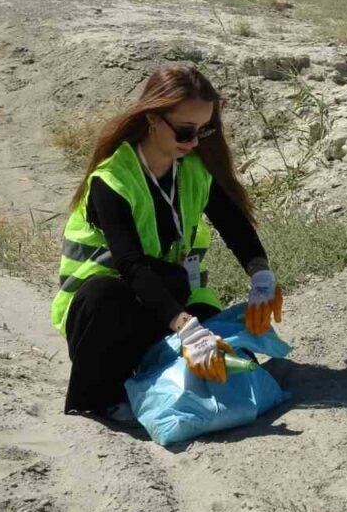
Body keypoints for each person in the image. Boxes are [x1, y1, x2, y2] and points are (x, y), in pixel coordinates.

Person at [51, 65, 283, 420]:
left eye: (203, 132)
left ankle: (154, 373)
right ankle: (99, 397)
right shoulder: (111, 181)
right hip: (109, 312)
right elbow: (131, 266)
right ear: (152, 119)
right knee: (105, 297)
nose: (193, 143)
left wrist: (261, 273)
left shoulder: (192, 169)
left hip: (169, 297)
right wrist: (186, 327)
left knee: (231, 362)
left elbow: (235, 226)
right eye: (185, 131)